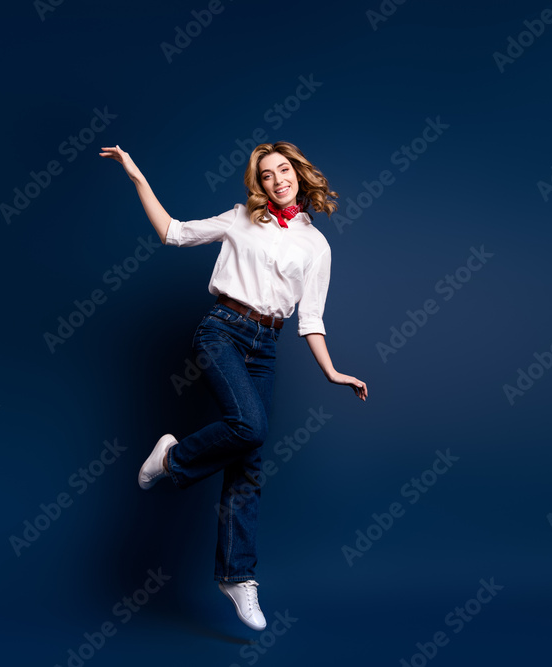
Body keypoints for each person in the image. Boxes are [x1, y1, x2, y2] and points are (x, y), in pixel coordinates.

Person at [100, 141, 368, 631]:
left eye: (283, 170)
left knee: (248, 461)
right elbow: (173, 233)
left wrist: (332, 371)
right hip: (222, 329)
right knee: (249, 425)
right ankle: (171, 459)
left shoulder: (317, 246)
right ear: (259, 183)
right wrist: (137, 175)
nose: (277, 180)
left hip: (266, 345)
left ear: (298, 175)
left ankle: (236, 576)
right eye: (266, 175)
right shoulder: (241, 218)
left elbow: (310, 317)